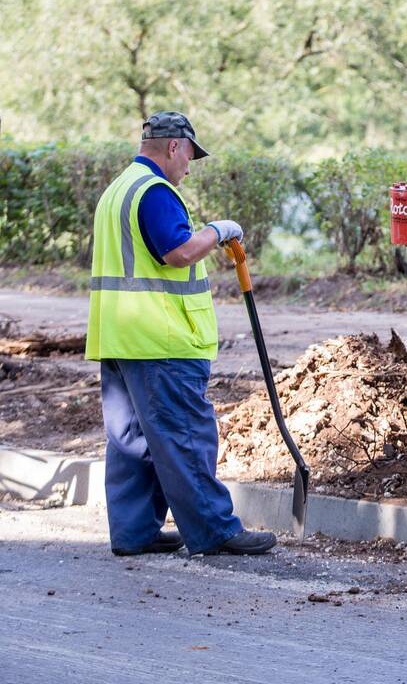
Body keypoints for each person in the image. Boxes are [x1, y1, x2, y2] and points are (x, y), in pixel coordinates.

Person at [85, 111, 277, 556]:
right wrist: (218, 230)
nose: (190, 165)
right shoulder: (155, 192)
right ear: (174, 146)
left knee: (131, 442)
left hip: (120, 337)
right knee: (185, 434)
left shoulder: (118, 190)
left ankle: (135, 534)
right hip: (161, 338)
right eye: (190, 154)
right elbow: (178, 252)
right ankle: (214, 530)